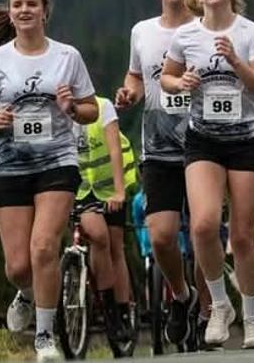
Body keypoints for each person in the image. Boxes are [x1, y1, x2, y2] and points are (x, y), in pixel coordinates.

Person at [0, 0, 98, 361]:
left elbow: (92, 110)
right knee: (19, 266)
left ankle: (45, 337)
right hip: (11, 163)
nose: (24, 10)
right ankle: (27, 292)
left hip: (57, 160)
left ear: (44, 11)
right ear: (10, 12)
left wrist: (72, 109)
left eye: (31, 4)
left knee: (42, 248)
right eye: (17, 4)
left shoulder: (68, 56)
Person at [160, 0, 254, 349]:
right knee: (203, 226)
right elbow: (167, 77)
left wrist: (237, 62)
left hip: (248, 141)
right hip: (203, 140)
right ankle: (220, 304)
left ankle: (253, 318)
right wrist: (181, 82)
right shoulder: (186, 36)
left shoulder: (251, 33)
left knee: (242, 236)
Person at [115, 0, 200, 345]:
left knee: (202, 233)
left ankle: (212, 310)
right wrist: (129, 93)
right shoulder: (142, 31)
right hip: (158, 147)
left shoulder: (206, 27)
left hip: (206, 146)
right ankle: (183, 296)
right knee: (162, 235)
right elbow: (136, 75)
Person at [72, 95, 139, 346]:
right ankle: (108, 309)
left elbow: (113, 150)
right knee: (97, 235)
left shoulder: (103, 107)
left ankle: (121, 312)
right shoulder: (55, 111)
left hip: (110, 186)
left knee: (114, 246)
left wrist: (119, 192)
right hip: (78, 189)